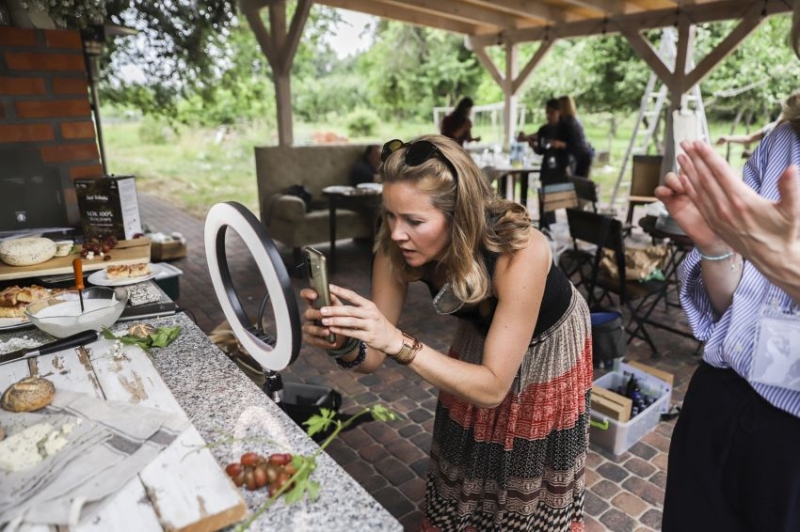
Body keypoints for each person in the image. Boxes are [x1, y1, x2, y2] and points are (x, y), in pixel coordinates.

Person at [301, 134, 593, 531]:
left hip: (549, 339)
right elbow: (371, 357)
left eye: (415, 221)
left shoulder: (522, 251)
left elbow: (492, 388)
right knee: (466, 448)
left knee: (523, 457)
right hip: (484, 329)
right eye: (389, 215)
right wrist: (344, 342)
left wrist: (397, 341)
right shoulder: (395, 244)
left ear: (461, 218)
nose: (397, 232)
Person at [655, 83, 800, 531]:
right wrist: (717, 247)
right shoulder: (784, 140)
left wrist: (791, 274)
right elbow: (732, 308)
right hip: (719, 399)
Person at [517, 98, 570, 185]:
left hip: (562, 169)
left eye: (552, 112)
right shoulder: (544, 129)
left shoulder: (566, 128)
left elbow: (574, 147)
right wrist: (531, 144)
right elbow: (540, 151)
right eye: (547, 113)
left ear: (559, 112)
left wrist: (561, 145)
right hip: (547, 170)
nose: (549, 116)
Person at [552, 95, 593, 178]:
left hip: (579, 157)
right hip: (582, 155)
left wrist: (561, 144)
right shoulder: (572, 120)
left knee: (578, 183)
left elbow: (575, 145)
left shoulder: (568, 123)